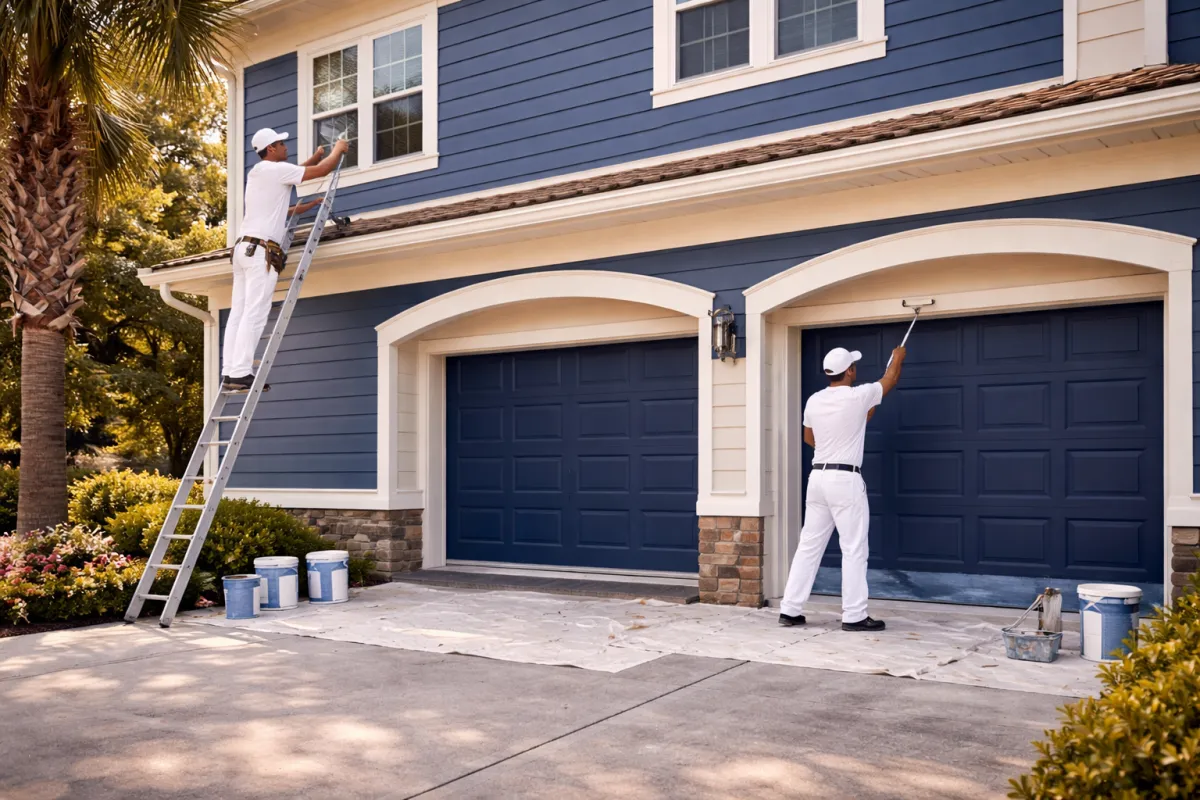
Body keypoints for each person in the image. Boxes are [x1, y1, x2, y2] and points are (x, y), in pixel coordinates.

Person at [778, 344, 906, 632]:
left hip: (818, 479)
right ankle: (854, 615)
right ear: (849, 371)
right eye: (854, 366)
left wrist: (844, 433)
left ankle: (790, 610)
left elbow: (810, 438)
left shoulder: (814, 400)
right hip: (845, 481)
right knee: (853, 549)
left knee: (809, 547)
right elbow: (891, 379)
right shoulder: (858, 395)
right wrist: (897, 357)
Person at [221, 127, 349, 391]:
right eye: (281, 144)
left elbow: (285, 194)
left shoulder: (259, 173)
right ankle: (242, 372)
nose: (285, 147)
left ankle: (230, 371)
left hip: (242, 250)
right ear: (271, 149)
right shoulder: (275, 171)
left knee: (239, 312)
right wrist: (339, 149)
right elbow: (322, 171)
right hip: (259, 253)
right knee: (256, 311)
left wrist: (306, 201)